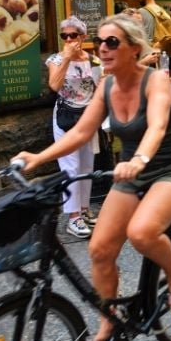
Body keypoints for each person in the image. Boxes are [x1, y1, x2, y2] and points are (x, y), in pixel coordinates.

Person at [14, 15, 171, 341]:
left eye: (112, 42)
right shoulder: (107, 86)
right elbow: (82, 132)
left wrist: (139, 160)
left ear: (132, 48)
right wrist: (38, 158)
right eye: (100, 41)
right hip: (130, 173)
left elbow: (157, 126)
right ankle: (108, 321)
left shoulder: (155, 80)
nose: (103, 47)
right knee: (99, 249)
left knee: (142, 232)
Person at [46, 16, 100, 238]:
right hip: (66, 118)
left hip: (88, 118)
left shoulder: (94, 61)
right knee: (70, 166)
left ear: (83, 37)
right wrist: (66, 59)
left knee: (87, 166)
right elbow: (54, 85)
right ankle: (73, 217)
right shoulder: (55, 60)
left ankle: (84, 209)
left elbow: (99, 89)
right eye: (64, 36)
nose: (68, 40)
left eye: (73, 35)